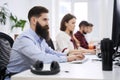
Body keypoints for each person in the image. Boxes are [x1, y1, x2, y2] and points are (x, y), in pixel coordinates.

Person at [6, 6, 85, 77]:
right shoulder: (25, 39)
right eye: (44, 20)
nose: (48, 23)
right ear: (34, 20)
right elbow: (41, 58)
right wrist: (68, 58)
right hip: (15, 76)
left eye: (48, 20)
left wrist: (69, 55)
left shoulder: (40, 38)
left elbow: (51, 52)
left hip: (30, 75)